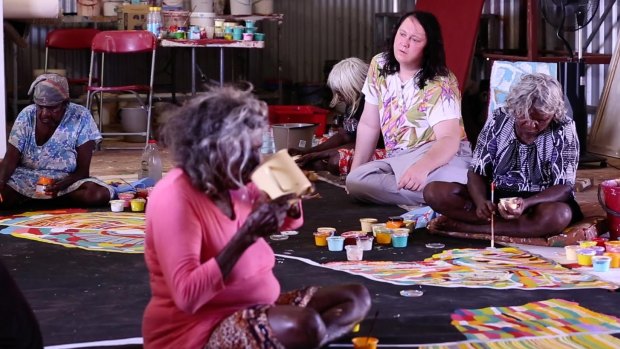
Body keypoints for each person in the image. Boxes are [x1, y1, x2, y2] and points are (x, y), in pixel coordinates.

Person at [143, 86, 371, 349]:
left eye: (257, 149)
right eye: (248, 150)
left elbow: (291, 221)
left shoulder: (234, 176)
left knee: (355, 298)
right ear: (216, 150)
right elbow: (188, 296)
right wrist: (246, 236)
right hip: (197, 329)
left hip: (257, 306)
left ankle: (307, 341)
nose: (256, 161)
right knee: (304, 324)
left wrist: (287, 192)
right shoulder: (175, 197)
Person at [423, 73, 583, 237]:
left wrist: (526, 203)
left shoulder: (564, 128)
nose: (531, 125)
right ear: (514, 108)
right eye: (524, 117)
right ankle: (515, 227)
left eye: (541, 120)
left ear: (553, 114)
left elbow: (564, 187)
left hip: (539, 201)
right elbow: (477, 170)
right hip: (495, 197)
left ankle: (470, 227)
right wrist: (480, 203)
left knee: (559, 215)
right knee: (434, 192)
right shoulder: (500, 118)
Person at [346, 11, 472, 206]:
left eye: (415, 39)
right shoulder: (379, 65)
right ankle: (442, 195)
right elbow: (369, 125)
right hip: (400, 159)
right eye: (402, 34)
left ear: (428, 48)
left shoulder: (440, 82)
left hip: (439, 155)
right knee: (356, 181)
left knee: (441, 178)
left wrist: (421, 168)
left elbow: (449, 139)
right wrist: (356, 168)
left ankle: (445, 191)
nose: (404, 43)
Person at [0, 73, 113, 210]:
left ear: (65, 103)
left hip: (64, 182)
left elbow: (83, 171)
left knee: (97, 194)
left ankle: (37, 201)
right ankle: (45, 201)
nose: (44, 114)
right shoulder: (27, 115)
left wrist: (62, 185)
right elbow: (10, 159)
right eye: (40, 106)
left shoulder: (81, 117)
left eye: (52, 108)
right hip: (25, 178)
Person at [290, 57, 386, 176]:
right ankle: (313, 162)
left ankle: (317, 163)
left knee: (336, 160)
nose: (338, 97)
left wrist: (319, 154)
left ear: (353, 87)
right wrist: (307, 152)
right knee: (323, 144)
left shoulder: (370, 105)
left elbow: (363, 143)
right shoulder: (352, 103)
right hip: (358, 147)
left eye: (340, 92)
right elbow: (344, 136)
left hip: (376, 151)